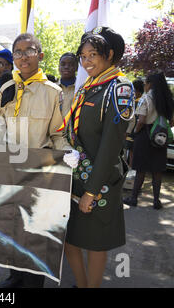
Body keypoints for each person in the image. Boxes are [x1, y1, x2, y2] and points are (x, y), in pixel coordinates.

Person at [0, 33, 78, 288]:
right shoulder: (6, 88)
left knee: (33, 230)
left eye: (29, 51)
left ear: (40, 55)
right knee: (10, 227)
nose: (23, 56)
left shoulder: (52, 92)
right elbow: (2, 125)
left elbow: (58, 133)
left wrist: (68, 151)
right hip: (8, 168)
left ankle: (34, 281)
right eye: (18, 52)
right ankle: (15, 275)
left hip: (38, 171)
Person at [63, 27, 134, 288]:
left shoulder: (119, 89)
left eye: (93, 54)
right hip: (77, 176)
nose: (86, 61)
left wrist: (91, 192)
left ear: (110, 55)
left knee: (94, 244)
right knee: (70, 240)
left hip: (99, 182)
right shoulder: (89, 87)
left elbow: (110, 146)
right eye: (83, 56)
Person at [123, 72, 174, 210]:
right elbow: (172, 122)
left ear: (150, 84)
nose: (144, 85)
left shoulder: (147, 97)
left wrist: (135, 132)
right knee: (157, 170)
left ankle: (133, 198)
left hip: (145, 135)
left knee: (141, 168)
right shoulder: (167, 98)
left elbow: (141, 120)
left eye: (145, 83)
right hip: (160, 137)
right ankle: (157, 201)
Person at [124, 79, 144, 167]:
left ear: (138, 91)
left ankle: (130, 169)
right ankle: (131, 169)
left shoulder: (136, 102)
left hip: (133, 131)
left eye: (134, 90)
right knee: (132, 152)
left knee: (131, 152)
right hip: (137, 131)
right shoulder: (141, 101)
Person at [57, 52, 78, 118]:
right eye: (63, 64)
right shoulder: (52, 88)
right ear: (59, 67)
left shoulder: (82, 88)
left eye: (71, 64)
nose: (66, 67)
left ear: (76, 67)